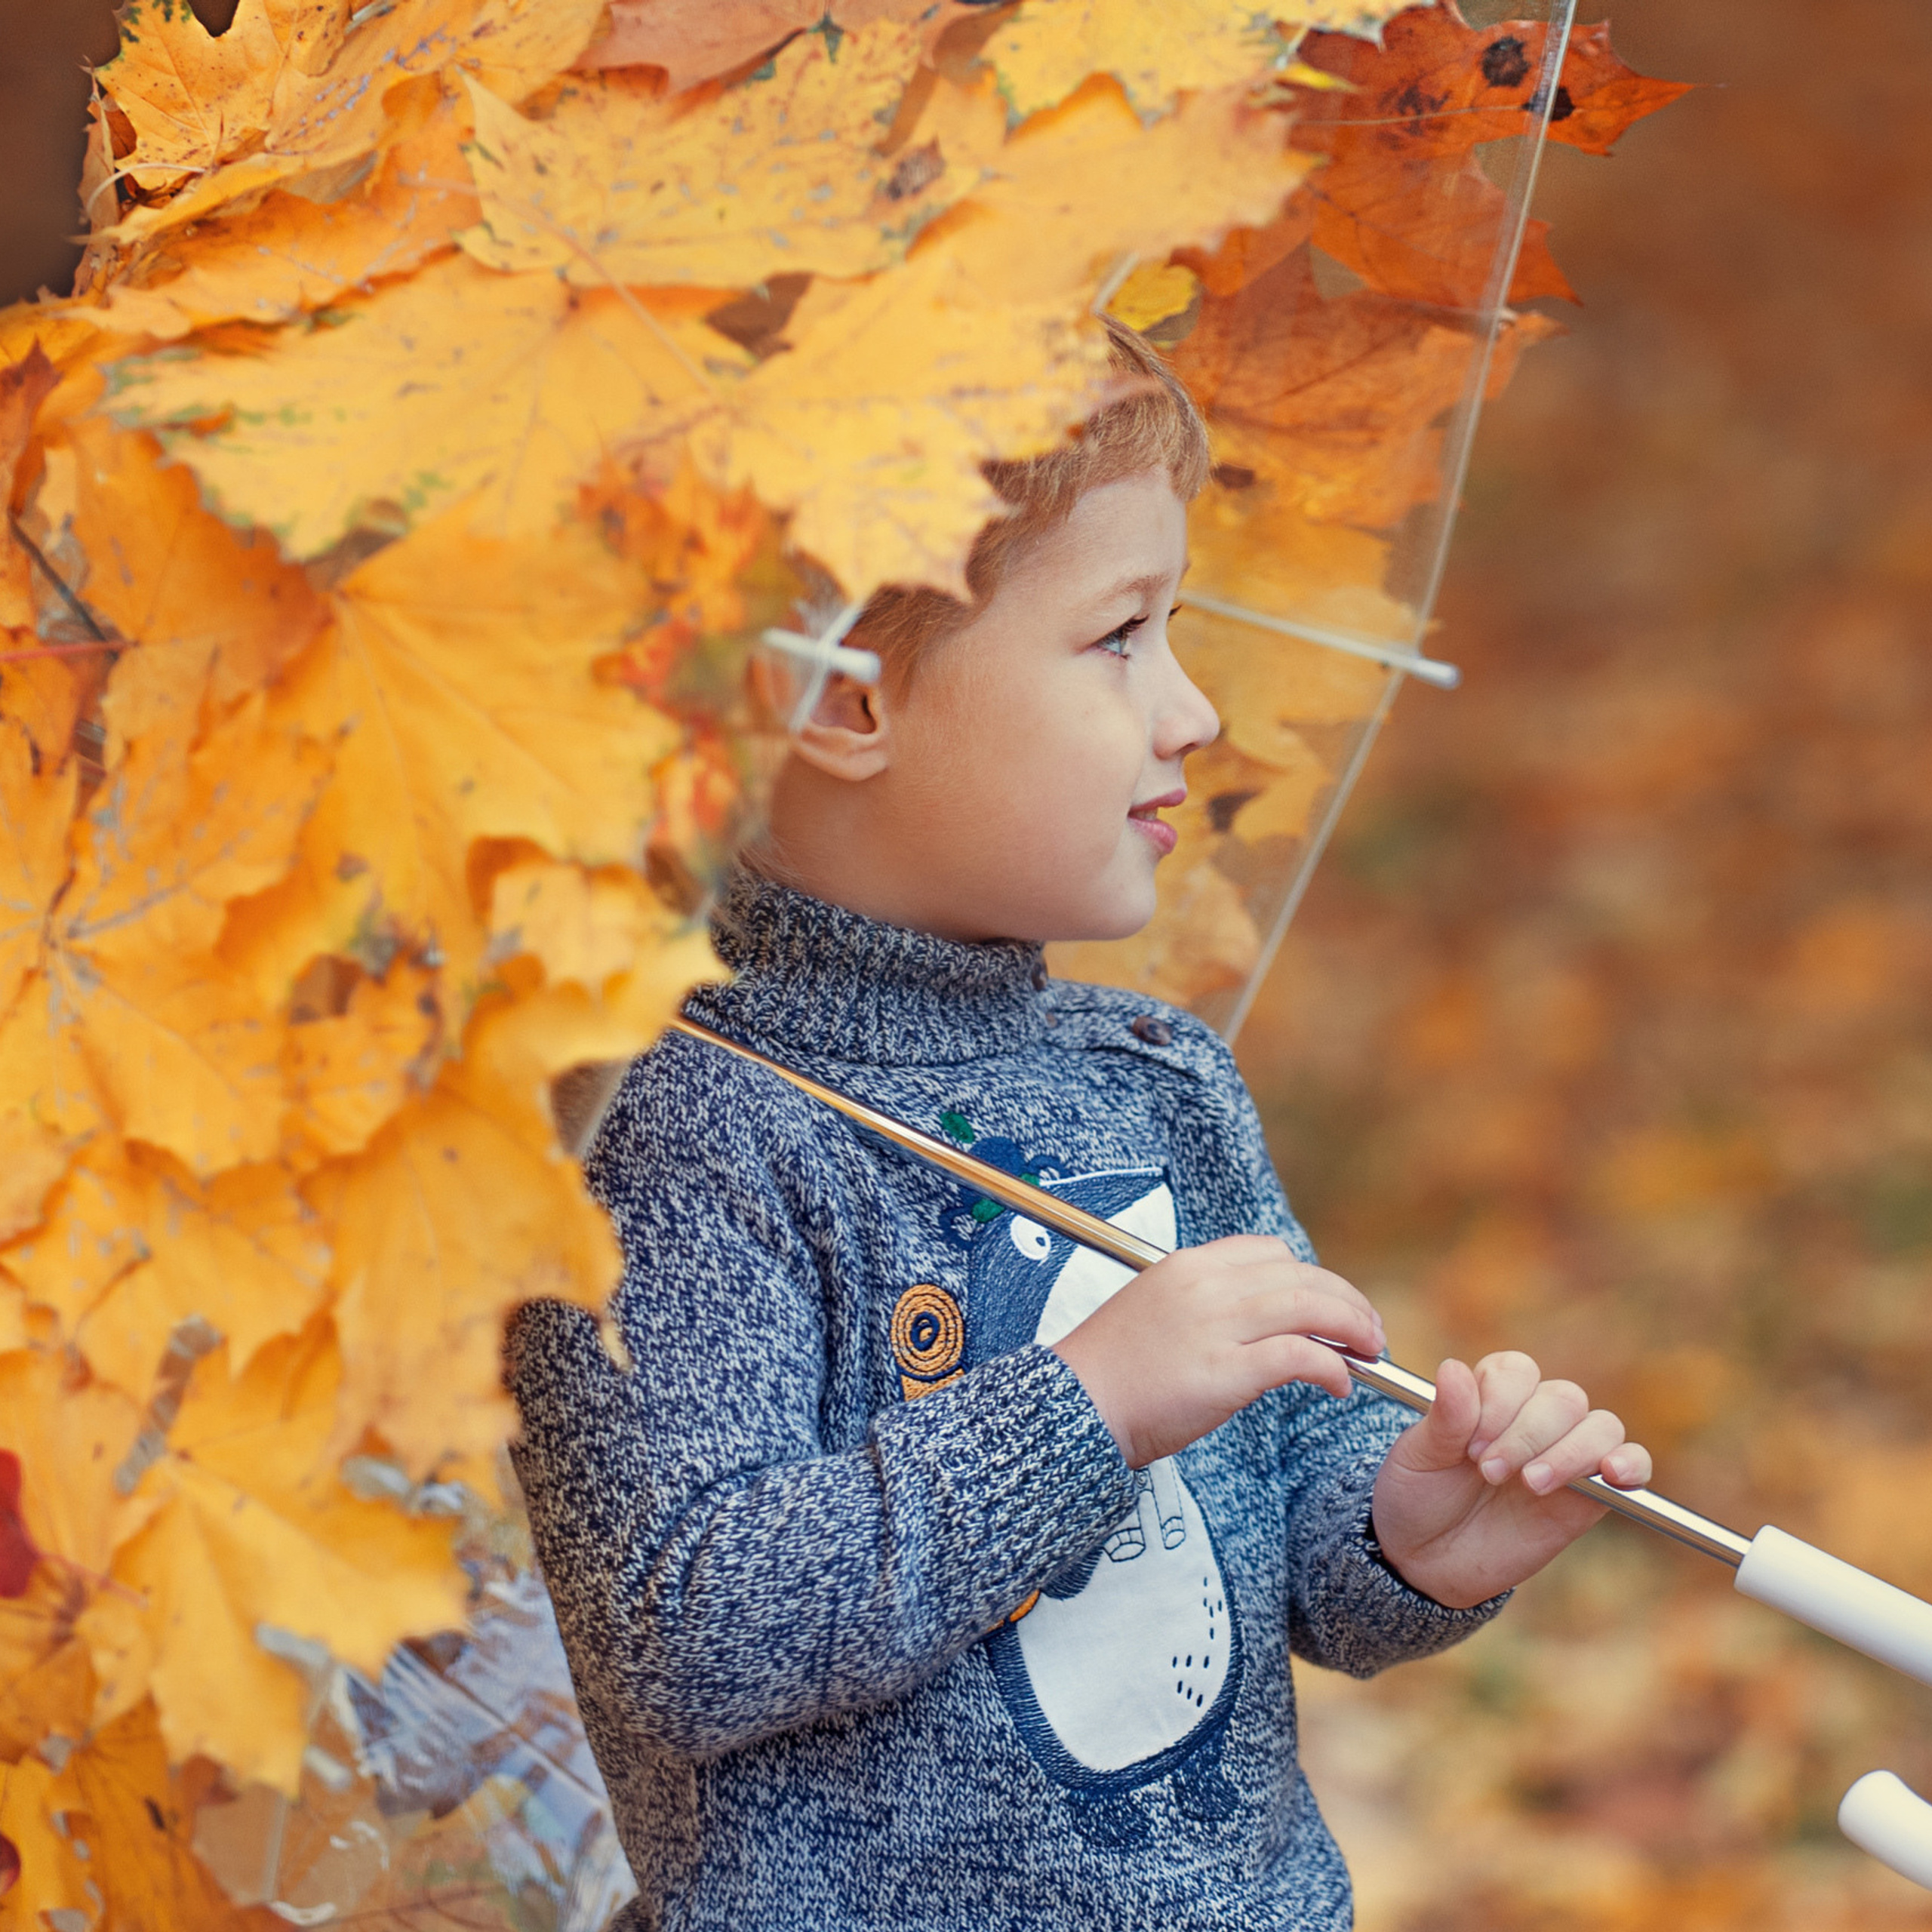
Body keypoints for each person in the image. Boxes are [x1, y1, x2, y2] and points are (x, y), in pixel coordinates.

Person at [506, 321, 1653, 1931]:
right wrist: (1086, 1400)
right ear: (837, 697)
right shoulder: (686, 1136)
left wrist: (1405, 1530)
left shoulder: (1154, 1073)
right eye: (1118, 636)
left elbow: (1261, 1529)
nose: (1187, 709)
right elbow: (686, 1630)